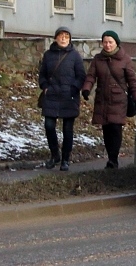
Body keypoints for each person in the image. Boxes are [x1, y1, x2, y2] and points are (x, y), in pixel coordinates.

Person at [82, 30, 136, 169]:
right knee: (106, 129)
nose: (107, 45)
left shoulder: (125, 59)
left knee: (115, 128)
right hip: (103, 98)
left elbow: (132, 80)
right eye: (105, 42)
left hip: (119, 99)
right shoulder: (98, 59)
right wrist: (86, 89)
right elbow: (91, 76)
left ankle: (113, 159)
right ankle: (111, 157)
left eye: (110, 42)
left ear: (116, 43)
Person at [38, 26, 85, 171]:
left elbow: (81, 76)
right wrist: (45, 87)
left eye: (66, 36)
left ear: (70, 39)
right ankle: (55, 155)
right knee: (49, 126)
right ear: (55, 38)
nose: (63, 38)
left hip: (69, 97)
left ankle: (65, 159)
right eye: (61, 36)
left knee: (67, 129)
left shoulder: (75, 56)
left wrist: (74, 89)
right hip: (51, 96)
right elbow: (42, 75)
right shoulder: (48, 55)